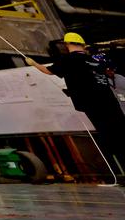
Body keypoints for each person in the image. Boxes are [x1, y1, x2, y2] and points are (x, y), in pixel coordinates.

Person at [29, 32, 125, 172]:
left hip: (92, 104)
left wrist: (34, 64)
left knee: (109, 138)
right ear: (83, 45)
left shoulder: (68, 59)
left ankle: (120, 173)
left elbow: (48, 71)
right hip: (109, 101)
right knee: (121, 131)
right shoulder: (95, 58)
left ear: (67, 45)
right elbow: (107, 73)